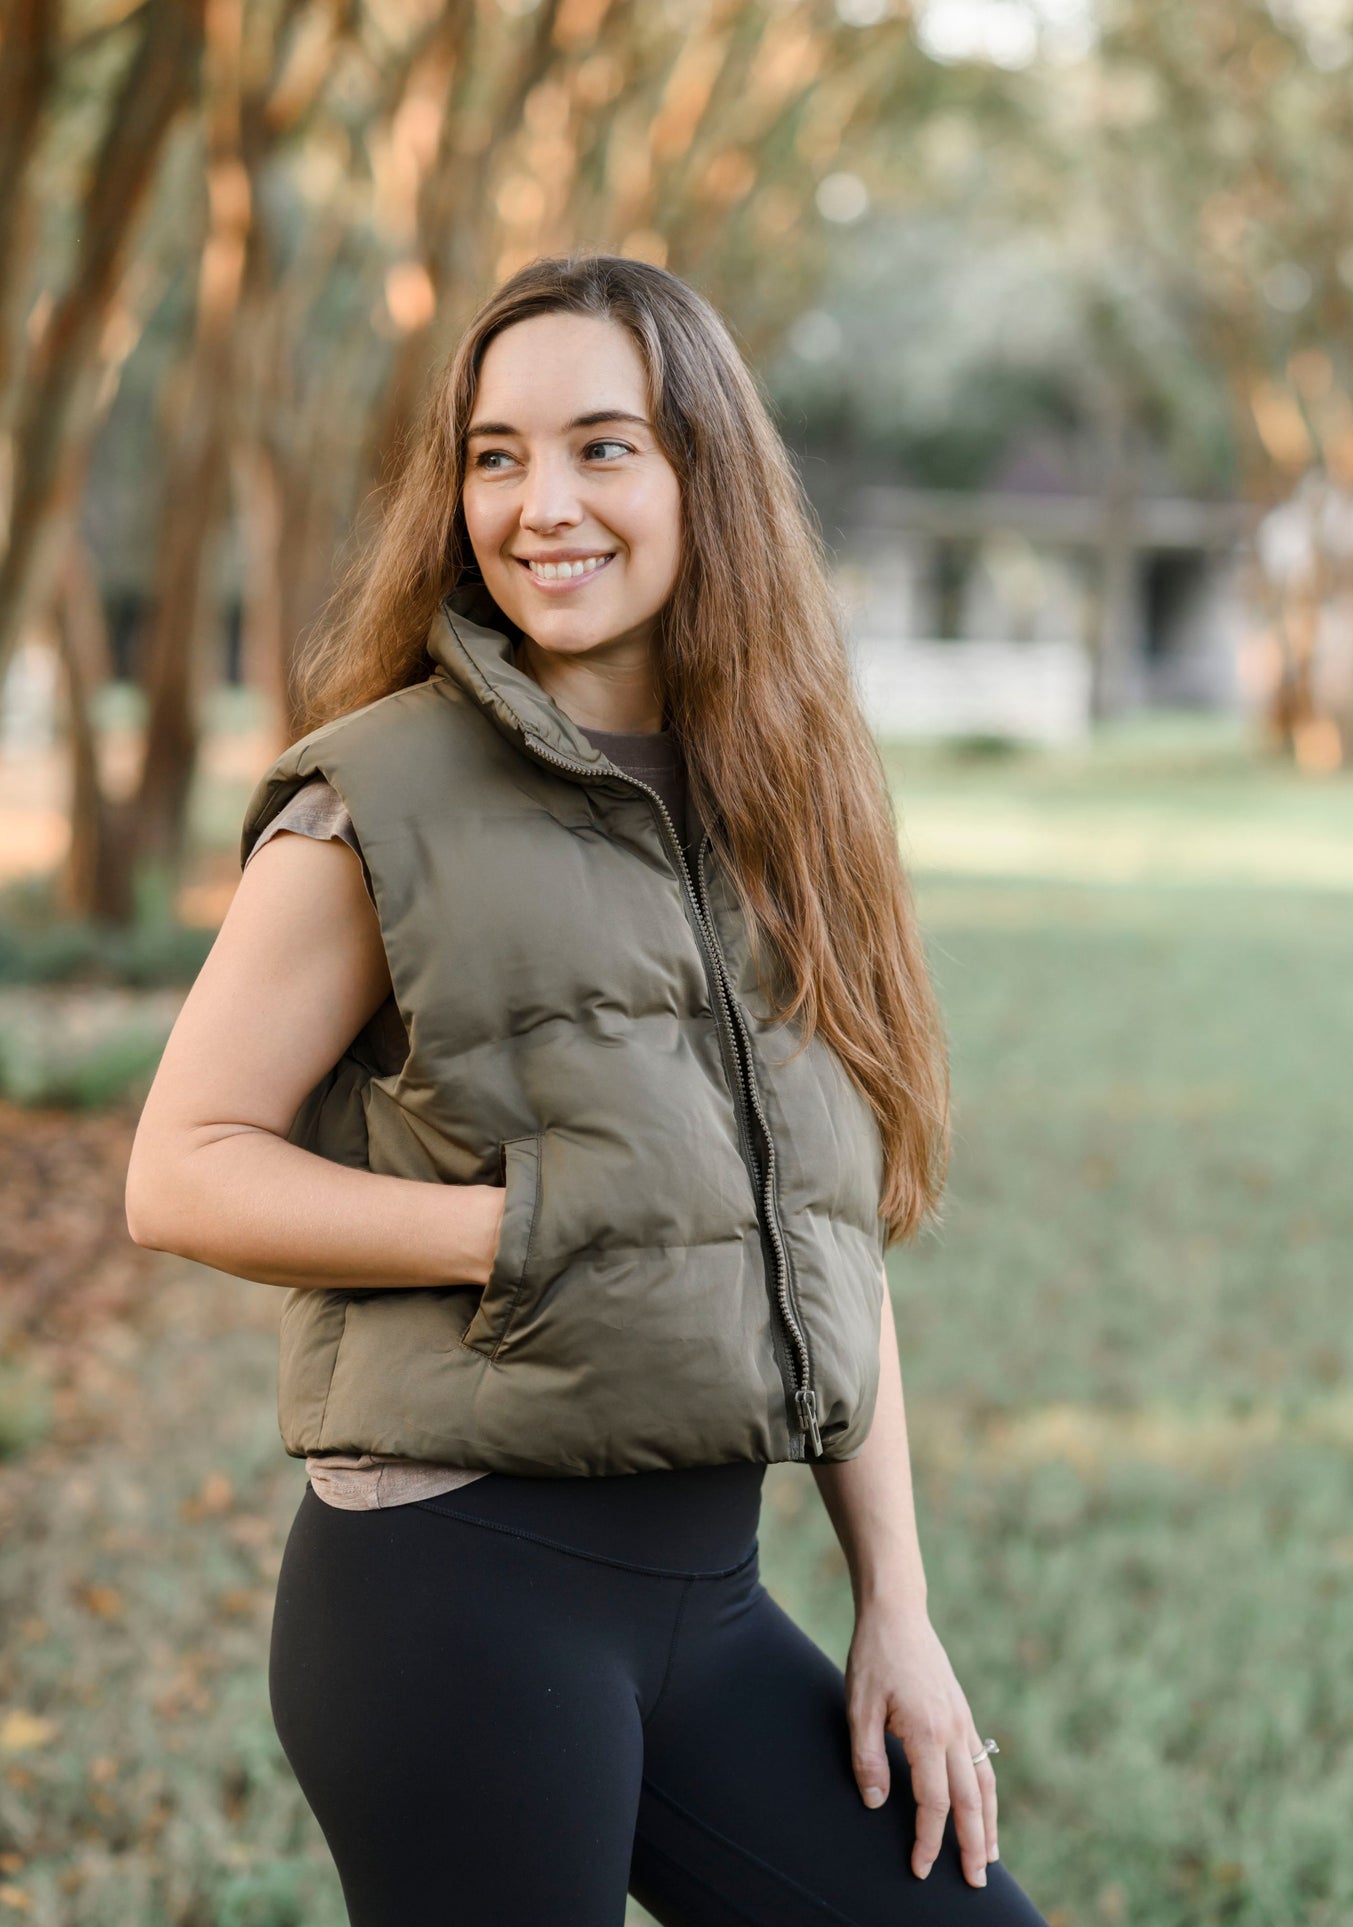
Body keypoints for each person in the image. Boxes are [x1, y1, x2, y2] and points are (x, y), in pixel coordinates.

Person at [126, 253, 1051, 1926]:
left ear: (706, 474)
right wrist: (521, 1227)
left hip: (710, 1598)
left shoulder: (781, 810)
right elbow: (182, 1171)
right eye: (495, 455)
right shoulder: (378, 797)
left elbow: (827, 1240)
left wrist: (894, 1613)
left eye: (601, 447)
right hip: (453, 1595)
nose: (539, 503)